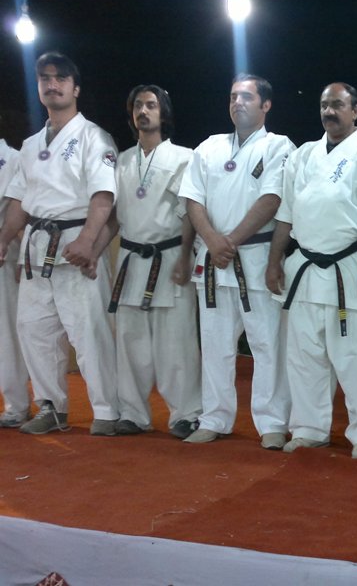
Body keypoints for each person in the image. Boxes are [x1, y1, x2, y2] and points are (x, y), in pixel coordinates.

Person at [267, 83, 357, 459]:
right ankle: (309, 428)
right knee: (304, 357)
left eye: (338, 105)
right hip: (305, 269)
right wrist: (274, 260)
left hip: (352, 268)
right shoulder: (302, 155)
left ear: (355, 111)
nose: (329, 111)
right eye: (324, 105)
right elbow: (286, 214)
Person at [0, 51, 118, 436]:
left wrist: (88, 240)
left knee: (88, 334)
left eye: (60, 79)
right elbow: (18, 201)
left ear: (75, 88)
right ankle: (51, 407)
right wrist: (3, 239)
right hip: (36, 252)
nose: (52, 85)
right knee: (34, 331)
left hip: (75, 245)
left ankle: (106, 411)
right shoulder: (31, 145)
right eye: (45, 79)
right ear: (38, 87)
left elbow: (103, 195)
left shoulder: (94, 137)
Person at [179, 73, 295, 447]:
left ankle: (272, 422)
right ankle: (214, 417)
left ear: (266, 105)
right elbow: (192, 199)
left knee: (267, 345)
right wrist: (213, 241)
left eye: (246, 97)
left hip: (257, 259)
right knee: (215, 346)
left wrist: (228, 241)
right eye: (233, 97)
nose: (237, 103)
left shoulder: (279, 146)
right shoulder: (208, 147)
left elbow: (272, 199)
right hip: (213, 260)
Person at [92, 84, 202, 439]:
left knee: (177, 341)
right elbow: (113, 217)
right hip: (130, 259)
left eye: (151, 105)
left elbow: (190, 213)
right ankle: (133, 414)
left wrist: (185, 257)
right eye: (138, 105)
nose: (143, 111)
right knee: (130, 340)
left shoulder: (184, 157)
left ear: (163, 112)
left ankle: (186, 413)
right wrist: (93, 253)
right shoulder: (122, 160)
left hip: (169, 256)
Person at [0, 131, 31, 428]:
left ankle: (16, 405)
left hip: (3, 256)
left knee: (6, 335)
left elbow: (22, 214)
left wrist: (23, 254)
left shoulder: (14, 159)